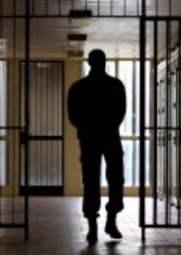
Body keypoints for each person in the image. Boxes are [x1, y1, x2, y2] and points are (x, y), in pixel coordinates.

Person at [67, 49, 126, 243]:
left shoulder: (78, 87)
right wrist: (108, 126)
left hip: (90, 138)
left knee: (91, 181)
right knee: (115, 179)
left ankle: (94, 227)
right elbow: (120, 112)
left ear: (89, 62)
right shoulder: (116, 85)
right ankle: (110, 221)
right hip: (109, 137)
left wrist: (86, 128)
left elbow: (73, 115)